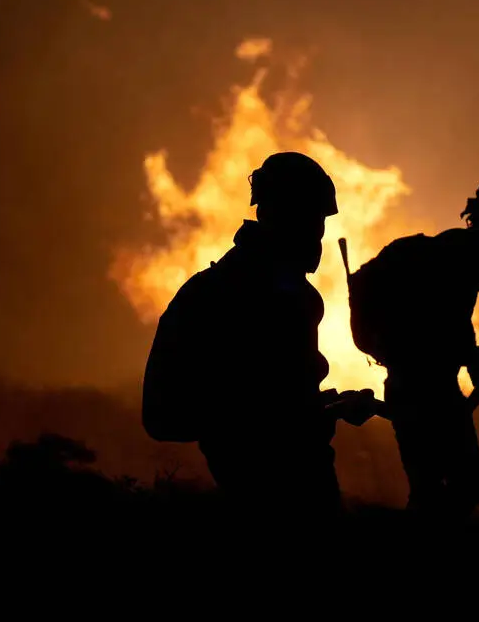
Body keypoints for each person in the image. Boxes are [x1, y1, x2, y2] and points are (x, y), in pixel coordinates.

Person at [143, 151, 375, 518]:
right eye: (311, 217)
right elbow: (256, 405)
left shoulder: (268, 290)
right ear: (280, 215)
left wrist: (331, 406)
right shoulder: (251, 294)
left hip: (278, 465)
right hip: (272, 478)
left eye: (319, 220)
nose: (318, 232)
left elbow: (283, 395)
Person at [348, 165, 479, 518]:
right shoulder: (457, 256)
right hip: (424, 391)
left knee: (437, 489)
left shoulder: (456, 252)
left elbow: (448, 332)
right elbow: (443, 327)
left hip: (417, 386)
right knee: (461, 487)